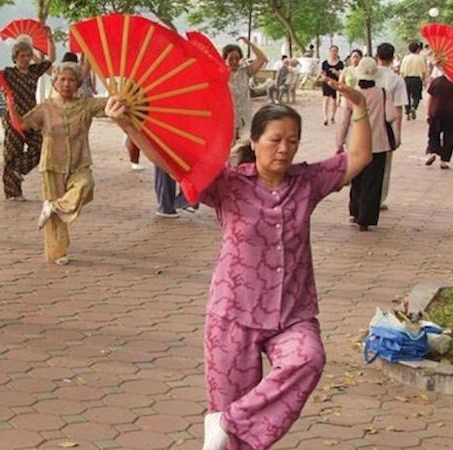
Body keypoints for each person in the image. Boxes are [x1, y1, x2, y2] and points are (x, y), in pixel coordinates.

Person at [106, 78, 372, 450]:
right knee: (229, 445)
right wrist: (128, 125)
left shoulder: (308, 182)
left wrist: (359, 105)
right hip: (232, 316)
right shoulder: (228, 184)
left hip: (292, 313)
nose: (284, 149)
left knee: (308, 358)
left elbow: (359, 158)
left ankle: (227, 420)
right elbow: (173, 163)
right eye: (275, 139)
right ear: (255, 141)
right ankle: (226, 424)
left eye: (292, 140)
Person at [16, 62, 107, 265]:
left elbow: (109, 105)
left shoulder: (86, 104)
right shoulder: (46, 108)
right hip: (52, 163)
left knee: (86, 184)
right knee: (55, 218)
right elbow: (22, 124)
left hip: (79, 162)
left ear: (78, 83)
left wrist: (123, 99)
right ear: (55, 83)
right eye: (62, 79)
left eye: (71, 80)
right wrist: (10, 105)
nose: (66, 84)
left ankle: (54, 205)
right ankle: (58, 253)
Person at [0, 30, 55, 201]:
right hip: (13, 118)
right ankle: (13, 193)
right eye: (22, 55)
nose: (26, 58)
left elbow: (50, 60)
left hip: (31, 118)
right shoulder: (9, 73)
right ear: (15, 57)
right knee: (12, 152)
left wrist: (49, 38)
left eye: (28, 55)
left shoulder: (34, 71)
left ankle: (18, 169)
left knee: (42, 146)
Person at [336, 57, 398, 231]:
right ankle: (366, 217)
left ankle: (355, 211)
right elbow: (391, 116)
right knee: (373, 181)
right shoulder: (383, 93)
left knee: (357, 178)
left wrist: (339, 142)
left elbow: (344, 120)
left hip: (355, 142)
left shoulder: (351, 93)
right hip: (378, 143)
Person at [375, 43, 408, 210]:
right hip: (386, 126)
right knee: (384, 165)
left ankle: (360, 197)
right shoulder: (396, 79)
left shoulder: (367, 75)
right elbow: (398, 108)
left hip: (365, 125)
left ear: (376, 55)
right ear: (393, 57)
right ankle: (379, 199)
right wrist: (398, 133)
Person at [223, 37, 268, 155]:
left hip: (244, 117)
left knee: (245, 149)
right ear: (224, 59)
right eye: (231, 58)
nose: (234, 61)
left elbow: (262, 59)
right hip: (227, 119)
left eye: (237, 58)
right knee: (227, 150)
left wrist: (248, 43)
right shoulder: (220, 74)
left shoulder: (245, 72)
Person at [425, 74, 453, 169]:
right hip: (451, 113)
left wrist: (428, 113)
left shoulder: (436, 81)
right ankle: (444, 161)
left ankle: (432, 152)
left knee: (433, 134)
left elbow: (430, 98)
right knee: (449, 137)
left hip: (436, 111)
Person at [400, 42, 426, 120]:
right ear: (418, 49)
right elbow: (424, 71)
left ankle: (407, 113)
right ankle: (414, 107)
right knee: (417, 96)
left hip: (407, 79)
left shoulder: (406, 58)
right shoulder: (421, 58)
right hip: (417, 79)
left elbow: (402, 71)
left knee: (406, 96)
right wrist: (423, 80)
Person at [320, 45, 344, 125]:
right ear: (329, 52)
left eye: (335, 51)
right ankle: (325, 117)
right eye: (332, 51)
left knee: (334, 101)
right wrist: (322, 77)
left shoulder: (340, 63)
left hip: (335, 83)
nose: (334, 52)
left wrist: (336, 72)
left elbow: (342, 74)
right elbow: (322, 72)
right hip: (326, 82)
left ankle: (332, 116)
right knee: (325, 99)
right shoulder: (325, 63)